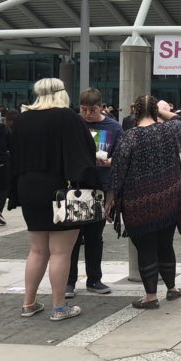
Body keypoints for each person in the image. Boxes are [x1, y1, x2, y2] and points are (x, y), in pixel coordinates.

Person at [8, 78, 97, 321]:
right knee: (60, 252)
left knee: (37, 250)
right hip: (60, 189)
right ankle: (59, 306)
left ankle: (29, 303)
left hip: (28, 186)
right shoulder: (66, 117)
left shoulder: (22, 119)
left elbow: (14, 155)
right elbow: (84, 152)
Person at [108, 96, 181, 308]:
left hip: (137, 204)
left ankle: (150, 296)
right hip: (168, 199)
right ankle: (172, 288)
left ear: (135, 111)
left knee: (145, 249)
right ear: (154, 111)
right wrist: (159, 112)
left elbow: (117, 172)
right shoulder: (168, 130)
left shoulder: (129, 137)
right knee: (165, 245)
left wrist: (110, 201)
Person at [67, 88, 122, 297]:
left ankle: (94, 278)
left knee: (94, 236)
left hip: (100, 185)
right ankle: (69, 281)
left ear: (101, 107)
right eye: (84, 110)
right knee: (72, 237)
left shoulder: (113, 127)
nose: (88, 114)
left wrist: (110, 164)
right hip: (76, 185)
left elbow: (122, 157)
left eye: (92, 110)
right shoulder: (75, 124)